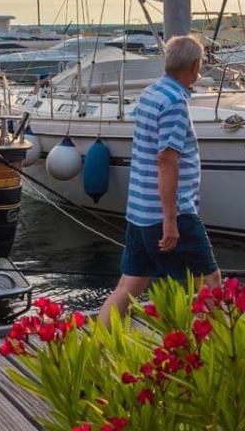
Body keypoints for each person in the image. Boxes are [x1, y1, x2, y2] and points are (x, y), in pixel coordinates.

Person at [98, 35, 221, 324]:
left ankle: (97, 346)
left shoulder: (151, 94)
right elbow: (167, 159)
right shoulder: (174, 102)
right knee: (211, 281)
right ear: (194, 66)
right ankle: (227, 354)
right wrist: (170, 219)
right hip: (166, 213)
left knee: (130, 285)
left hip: (140, 212)